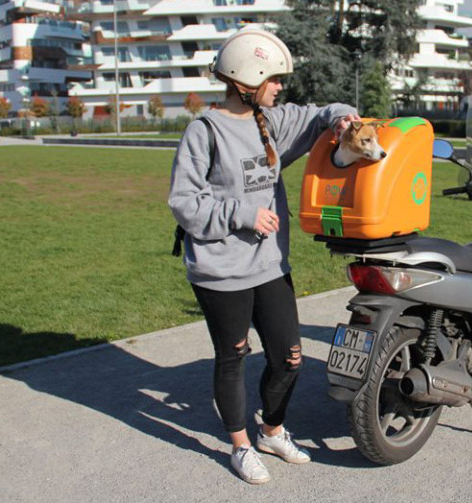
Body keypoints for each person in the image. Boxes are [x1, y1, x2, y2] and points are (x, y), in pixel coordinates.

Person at [168, 29, 358, 485]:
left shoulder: (270, 120)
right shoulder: (204, 131)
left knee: (289, 356)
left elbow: (319, 115)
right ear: (245, 79)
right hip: (220, 270)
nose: (279, 88)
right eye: (273, 80)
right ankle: (240, 446)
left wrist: (343, 118)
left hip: (270, 265)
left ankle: (272, 430)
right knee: (233, 356)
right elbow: (184, 202)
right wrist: (242, 213)